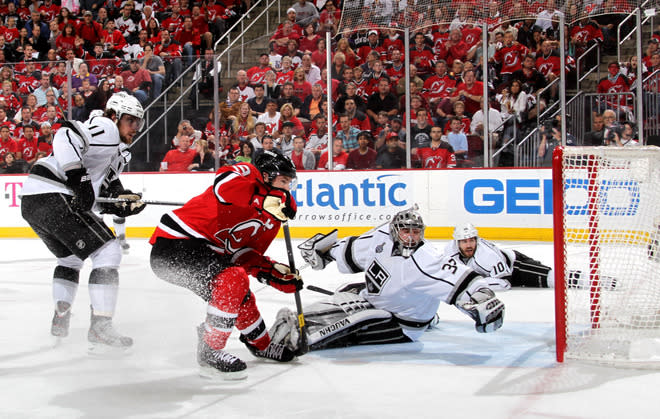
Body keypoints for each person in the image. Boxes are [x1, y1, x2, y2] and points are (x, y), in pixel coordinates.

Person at [149, 151, 301, 379]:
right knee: (233, 279)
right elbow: (222, 186)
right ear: (267, 176)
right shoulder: (247, 173)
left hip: (208, 254)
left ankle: (261, 345)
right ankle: (210, 351)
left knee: (237, 291)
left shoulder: (272, 218)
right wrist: (262, 198)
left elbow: (243, 255)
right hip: (175, 245)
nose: (288, 188)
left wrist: (272, 272)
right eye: (284, 181)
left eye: (290, 183)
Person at [270, 208, 504, 351]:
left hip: (402, 324)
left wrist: (484, 299)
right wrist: (325, 253)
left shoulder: (427, 259)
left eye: (416, 232)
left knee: (362, 315)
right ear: (394, 231)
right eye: (406, 231)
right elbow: (352, 251)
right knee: (349, 291)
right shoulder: (380, 238)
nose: (411, 237)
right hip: (378, 298)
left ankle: (303, 334)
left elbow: (465, 280)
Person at [19, 92, 146, 351]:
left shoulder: (118, 153)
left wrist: (120, 201)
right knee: (109, 250)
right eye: (130, 120)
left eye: (138, 123)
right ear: (115, 115)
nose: (135, 128)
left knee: (70, 259)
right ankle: (101, 326)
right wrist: (78, 177)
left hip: (34, 200)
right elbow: (65, 135)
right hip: (54, 192)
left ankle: (60, 318)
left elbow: (96, 194)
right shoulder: (107, 127)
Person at [443, 223, 553, 290]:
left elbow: (504, 283)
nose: (469, 245)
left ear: (476, 240)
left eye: (471, 240)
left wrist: (474, 283)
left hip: (515, 268)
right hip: (498, 270)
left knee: (552, 278)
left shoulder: (487, 255)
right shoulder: (450, 252)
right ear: (457, 243)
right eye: (464, 241)